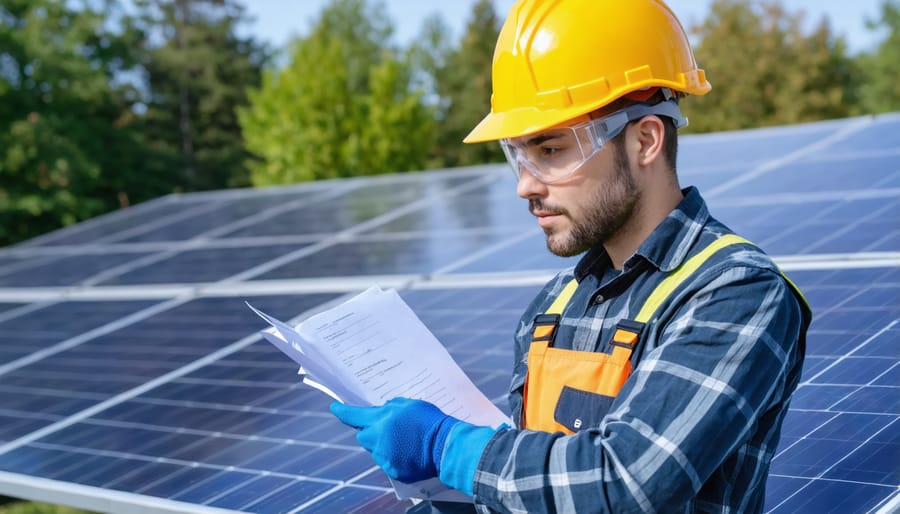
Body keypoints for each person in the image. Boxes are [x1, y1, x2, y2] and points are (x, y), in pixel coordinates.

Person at [330, 0, 812, 512]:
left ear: (644, 139)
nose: (524, 185)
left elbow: (628, 483)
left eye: (551, 150)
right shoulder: (555, 306)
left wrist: (447, 446)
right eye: (517, 154)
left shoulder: (737, 293)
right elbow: (530, 488)